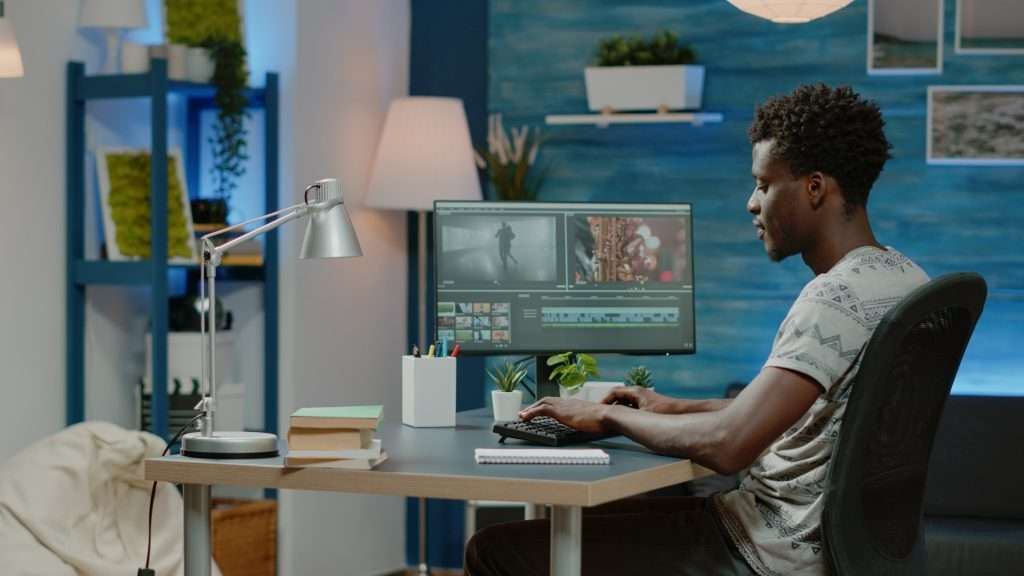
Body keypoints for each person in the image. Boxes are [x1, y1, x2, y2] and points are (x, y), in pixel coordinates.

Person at [464, 84, 930, 576]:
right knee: (577, 529)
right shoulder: (901, 278)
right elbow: (814, 412)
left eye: (764, 184)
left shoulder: (833, 299)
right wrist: (673, 407)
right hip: (841, 548)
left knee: (496, 550)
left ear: (814, 187)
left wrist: (607, 419)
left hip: (762, 551)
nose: (752, 203)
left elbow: (728, 445)